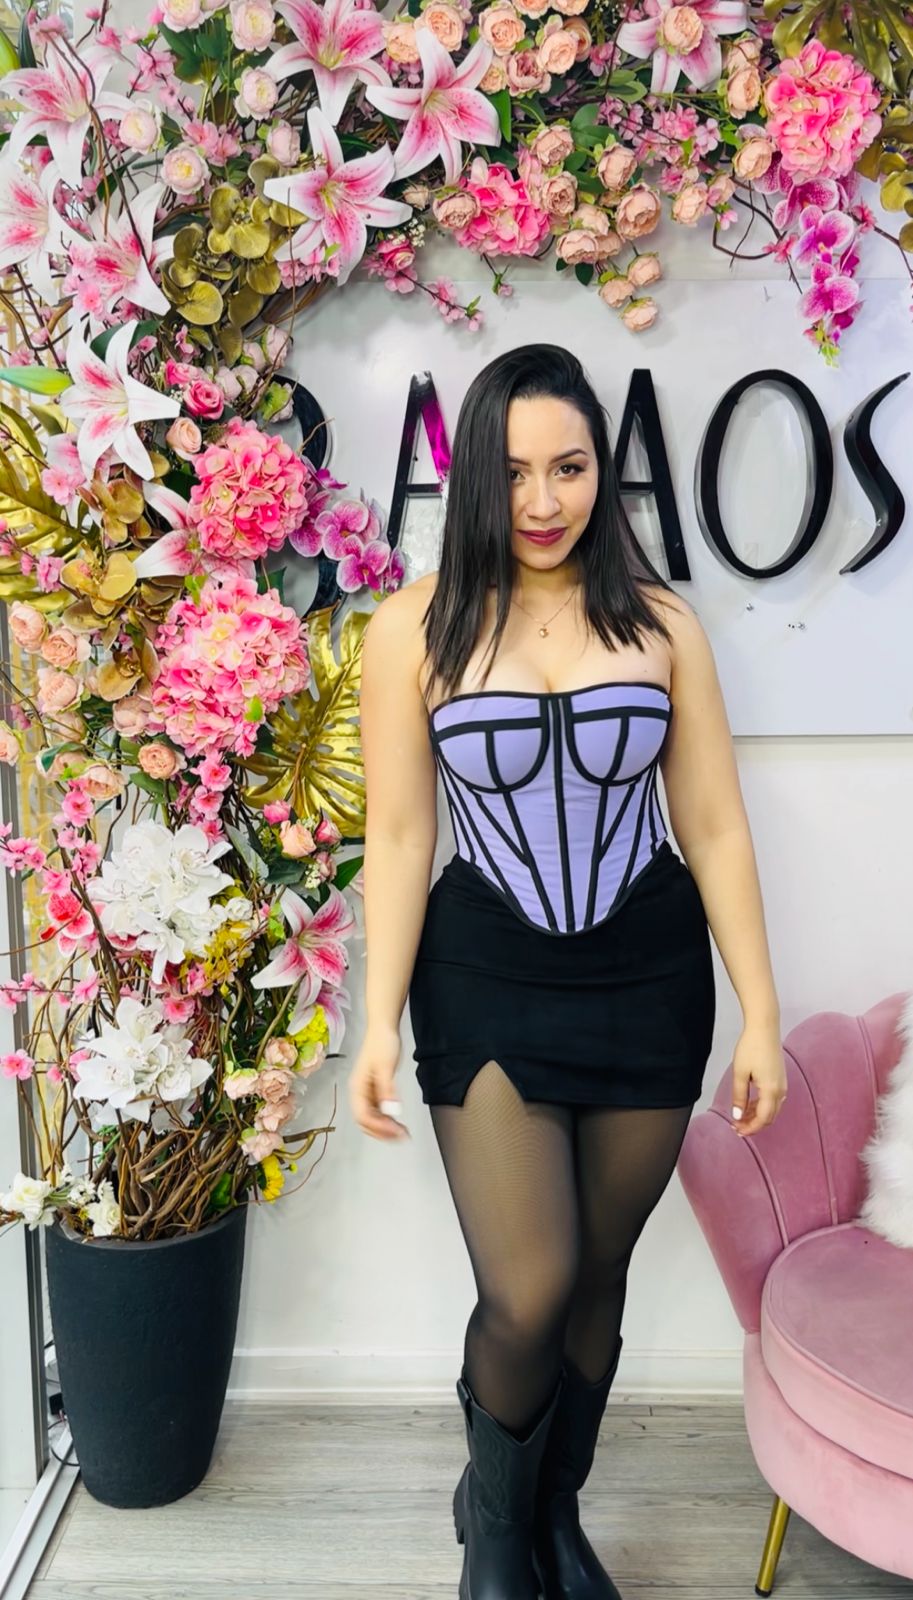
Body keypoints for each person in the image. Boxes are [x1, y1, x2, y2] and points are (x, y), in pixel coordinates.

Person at [350, 343, 787, 1600]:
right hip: (483, 971)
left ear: (604, 469)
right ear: (470, 478)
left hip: (648, 974)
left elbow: (712, 825)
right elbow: (400, 834)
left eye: (570, 467)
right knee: (529, 1284)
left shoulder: (662, 624)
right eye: (512, 471)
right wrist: (376, 1021)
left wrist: (760, 1011)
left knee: (599, 1272)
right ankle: (492, 1526)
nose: (542, 500)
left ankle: (553, 1512)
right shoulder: (412, 627)